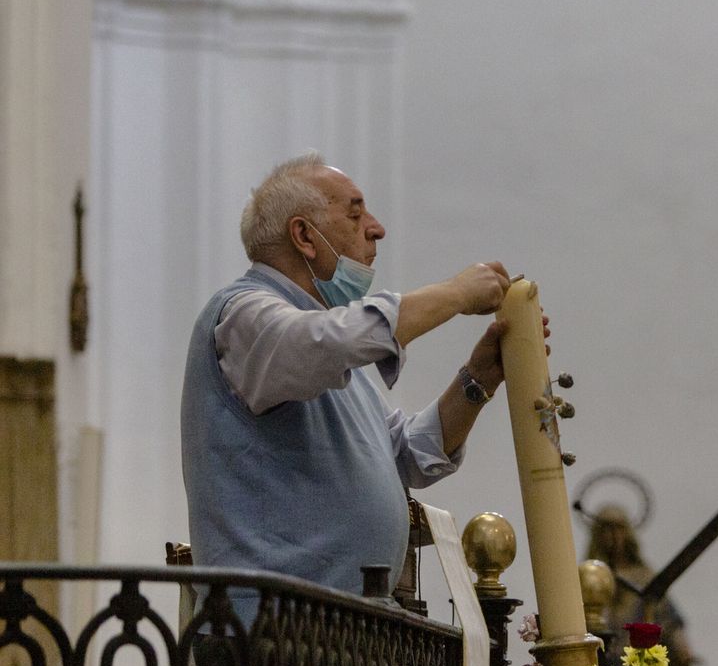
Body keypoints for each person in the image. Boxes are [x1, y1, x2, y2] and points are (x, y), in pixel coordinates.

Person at [180, 152, 533, 609]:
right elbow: (323, 343)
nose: (376, 227)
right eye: (354, 212)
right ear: (305, 236)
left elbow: (407, 455)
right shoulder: (246, 314)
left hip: (340, 628)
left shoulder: (327, 342)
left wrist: (478, 378)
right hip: (268, 632)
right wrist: (457, 293)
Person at [585, 504, 696, 666]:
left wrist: (683, 649)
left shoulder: (644, 576)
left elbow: (668, 617)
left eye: (618, 528)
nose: (613, 536)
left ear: (627, 533)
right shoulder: (589, 575)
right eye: (606, 529)